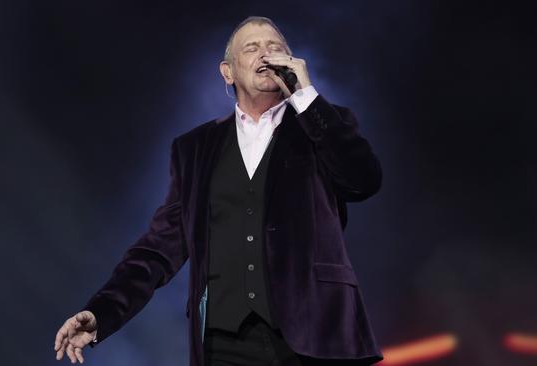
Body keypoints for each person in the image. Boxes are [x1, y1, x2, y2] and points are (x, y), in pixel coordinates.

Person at [54, 16, 384, 366]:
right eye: (252, 48)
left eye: (275, 48)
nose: (266, 55)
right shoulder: (195, 148)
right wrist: (102, 313)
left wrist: (307, 97)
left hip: (316, 337)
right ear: (228, 72)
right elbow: (157, 250)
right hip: (225, 344)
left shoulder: (324, 123)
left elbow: (363, 180)